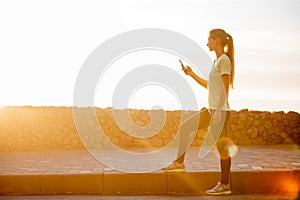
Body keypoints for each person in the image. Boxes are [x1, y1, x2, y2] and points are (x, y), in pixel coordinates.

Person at [163, 28, 235, 195]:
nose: (207, 43)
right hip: (211, 110)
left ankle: (225, 185)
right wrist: (191, 74)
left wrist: (217, 112)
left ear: (217, 40)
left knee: (222, 149)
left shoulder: (224, 60)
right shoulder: (216, 61)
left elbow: (225, 89)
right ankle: (179, 164)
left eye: (209, 40)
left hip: (220, 111)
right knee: (185, 127)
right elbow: (209, 85)